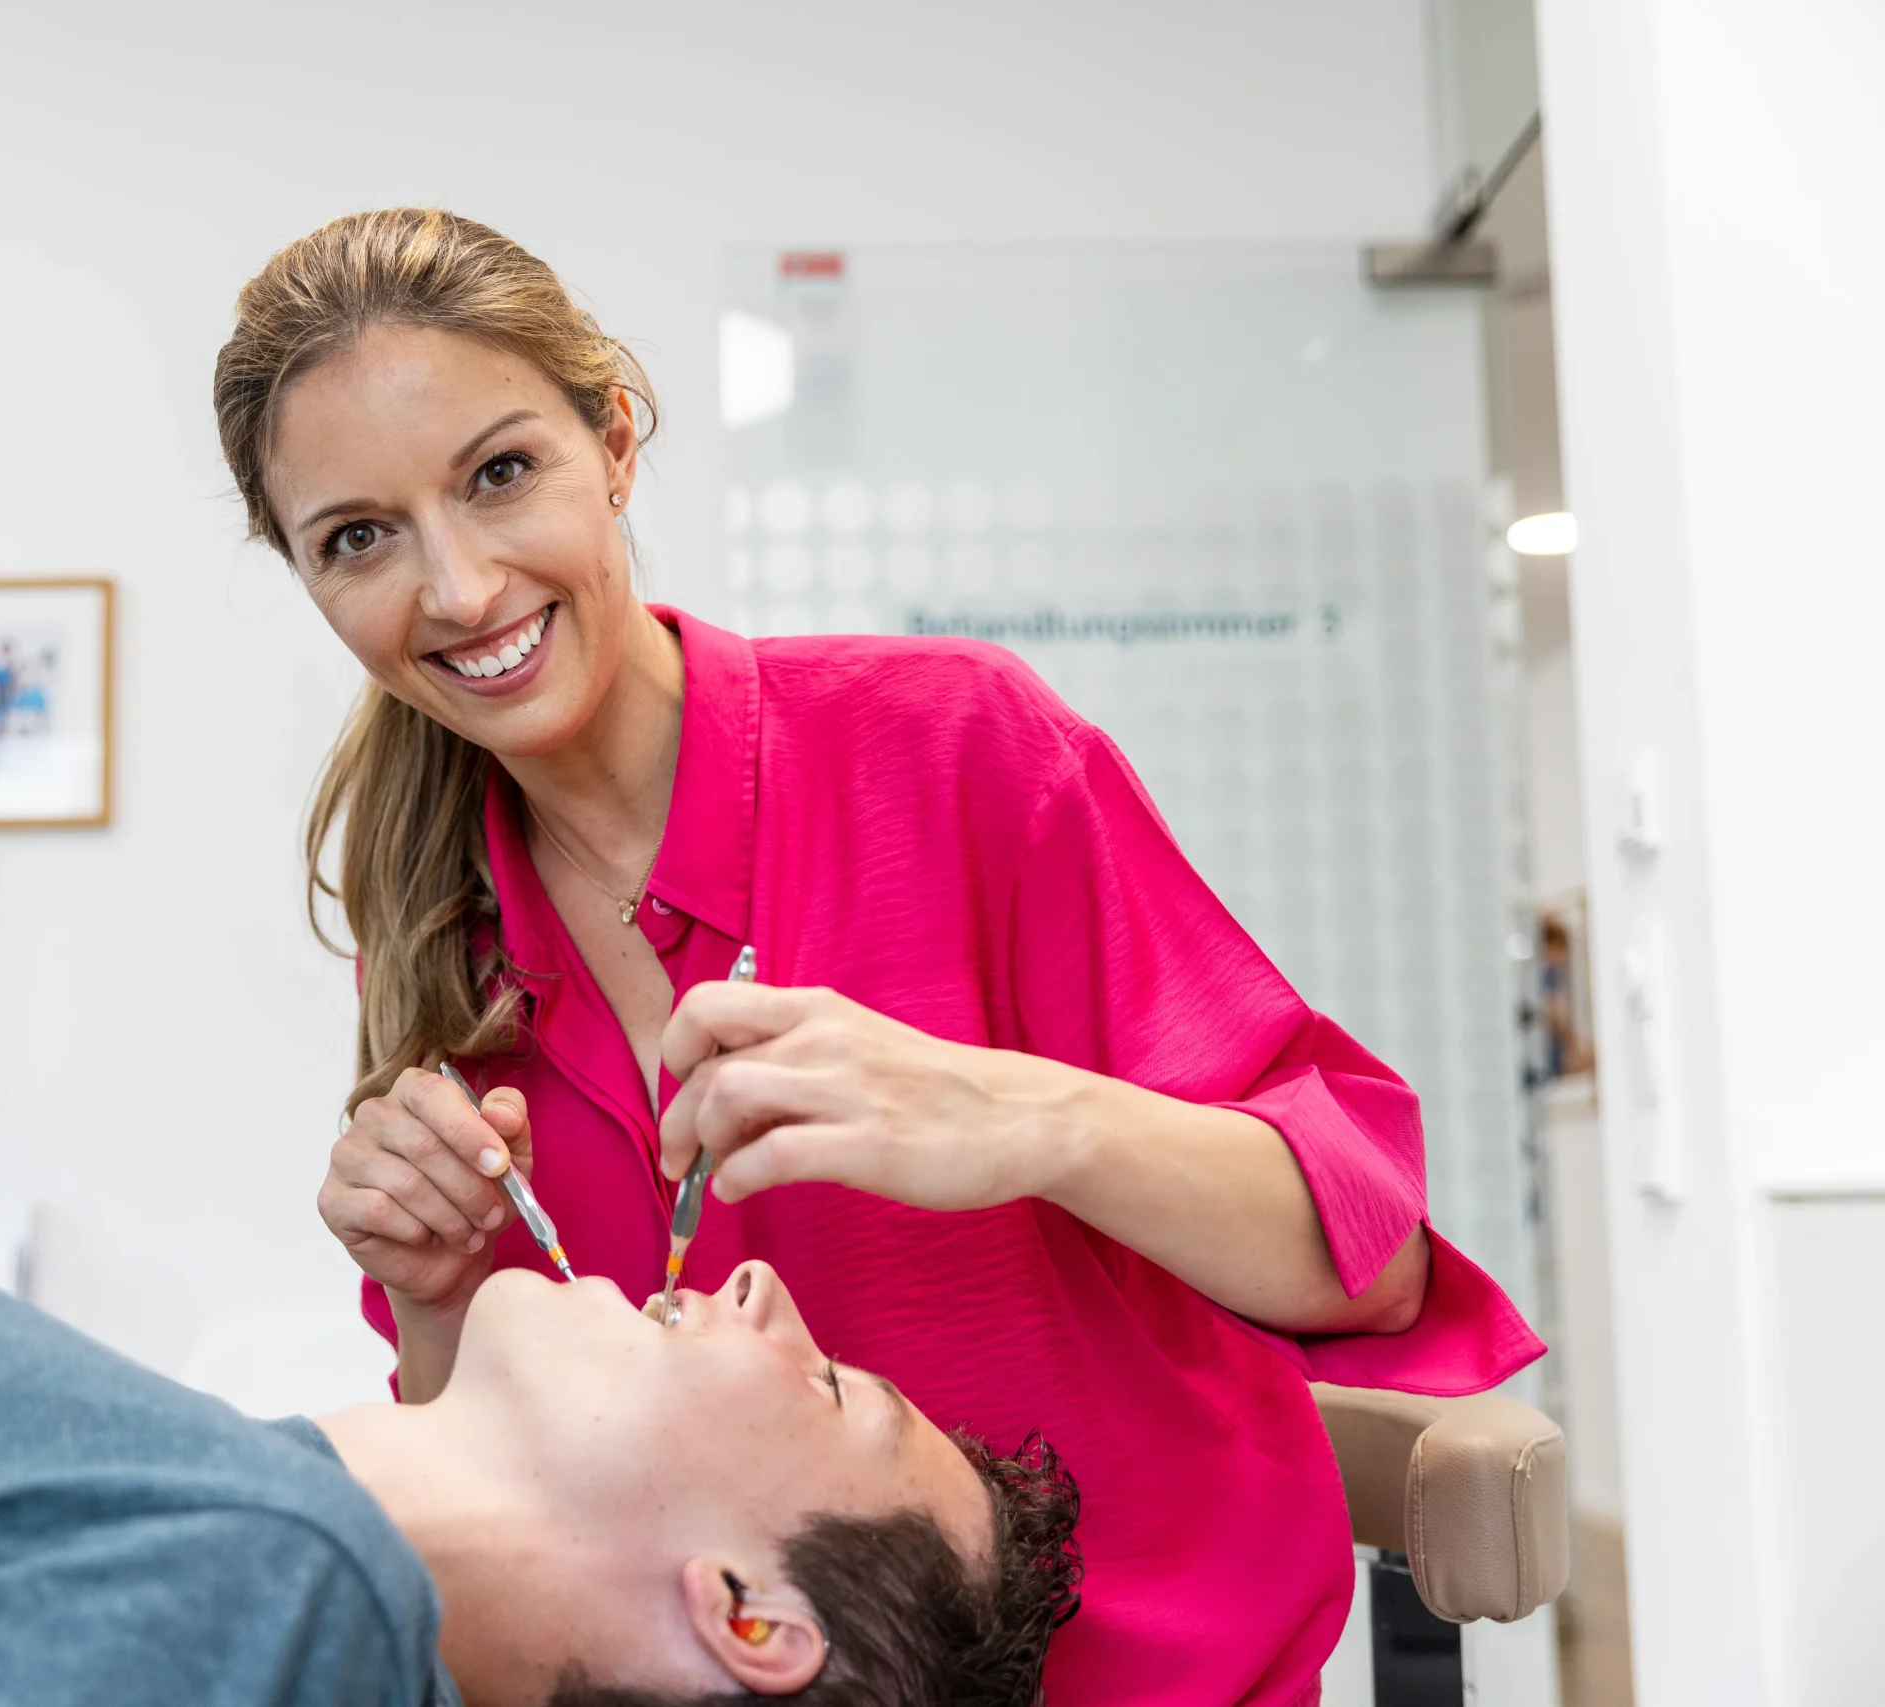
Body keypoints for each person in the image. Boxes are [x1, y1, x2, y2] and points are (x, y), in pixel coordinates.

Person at [211, 209, 1545, 1704]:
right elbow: (527, 1519)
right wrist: (439, 1285)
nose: (456, 591)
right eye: (359, 538)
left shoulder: (955, 746)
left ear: (617, 441)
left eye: (501, 473)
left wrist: (1021, 1113)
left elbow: (1370, 1260)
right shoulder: (431, 929)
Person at [0, 1224, 1079, 1707]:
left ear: (750, 1613)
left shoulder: (268, 1590)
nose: (769, 1289)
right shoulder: (240, 1525)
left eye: (833, 1384)